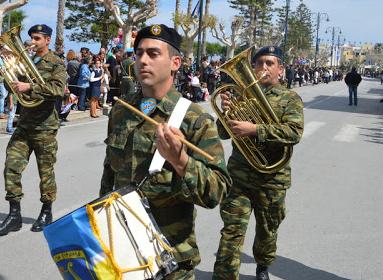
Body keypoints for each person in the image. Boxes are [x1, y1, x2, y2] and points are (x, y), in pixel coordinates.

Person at [100, 24, 231, 278]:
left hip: (171, 258)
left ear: (175, 63)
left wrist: (180, 160)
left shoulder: (195, 119)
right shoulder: (121, 110)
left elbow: (217, 191)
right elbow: (109, 173)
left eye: (153, 54)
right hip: (125, 253)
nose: (142, 61)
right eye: (138, 54)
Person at [213, 46, 304, 280]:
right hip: (239, 177)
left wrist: (256, 130)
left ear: (280, 69)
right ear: (252, 68)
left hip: (273, 179)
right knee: (232, 231)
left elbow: (294, 133)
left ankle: (263, 266)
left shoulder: (290, 98)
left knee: (267, 231)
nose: (263, 68)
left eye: (269, 63)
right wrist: (224, 113)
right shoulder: (240, 95)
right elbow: (224, 134)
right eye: (259, 63)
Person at [0, 24, 66, 236]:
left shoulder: (56, 63)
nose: (32, 42)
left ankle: (46, 211)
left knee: (45, 172)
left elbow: (58, 91)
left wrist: (30, 87)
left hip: (45, 126)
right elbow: (13, 87)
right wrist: (7, 76)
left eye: (37, 39)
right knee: (11, 167)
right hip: (24, 125)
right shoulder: (26, 60)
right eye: (31, 38)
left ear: (47, 40)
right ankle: (14, 215)